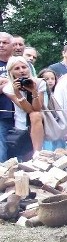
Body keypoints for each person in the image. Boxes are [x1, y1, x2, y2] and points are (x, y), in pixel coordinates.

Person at [1, 55, 46, 159]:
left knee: (35, 115)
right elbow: (28, 110)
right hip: (22, 124)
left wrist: (33, 91)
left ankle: (38, 153)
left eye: (24, 67)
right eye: (17, 68)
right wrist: (17, 92)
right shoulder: (8, 88)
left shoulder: (39, 82)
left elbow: (37, 109)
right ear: (11, 72)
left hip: (40, 122)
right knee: (26, 158)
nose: (22, 71)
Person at [0, 33, 16, 161]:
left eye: (5, 43)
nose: (1, 45)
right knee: (1, 150)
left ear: (12, 45)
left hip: (21, 112)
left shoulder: (20, 63)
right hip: (1, 114)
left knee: (22, 149)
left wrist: (7, 84)